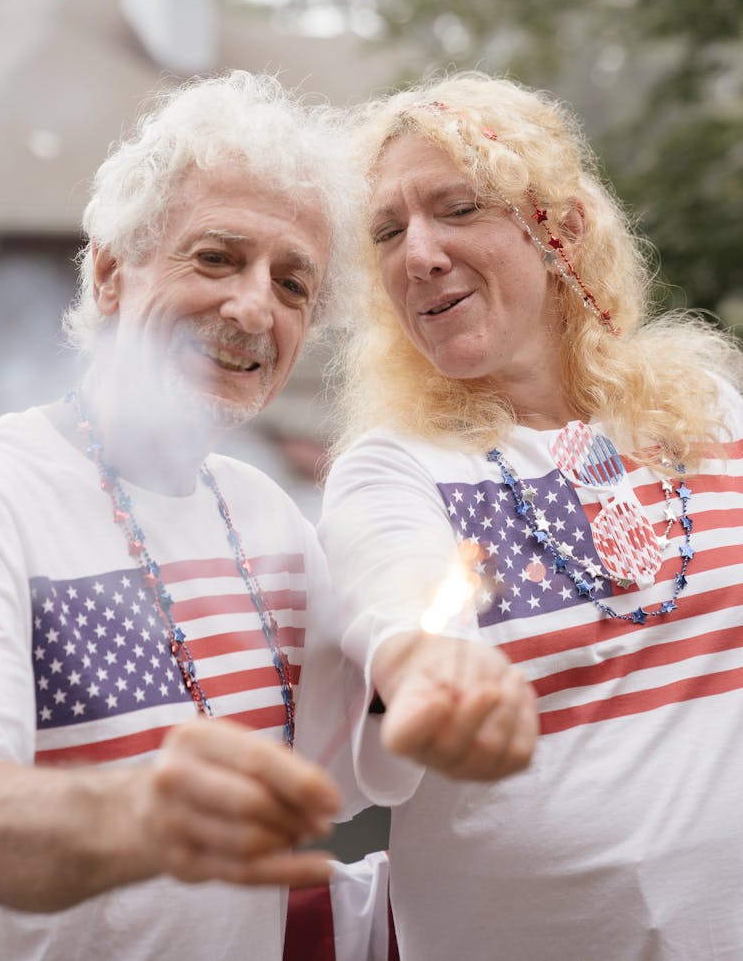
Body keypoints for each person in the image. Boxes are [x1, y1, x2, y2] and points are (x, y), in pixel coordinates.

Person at [317, 71, 743, 960]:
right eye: (389, 230)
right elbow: (395, 591)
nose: (418, 252)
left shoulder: (708, 412)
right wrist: (426, 667)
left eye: (457, 207)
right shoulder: (394, 468)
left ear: (561, 229)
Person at [0, 69, 370, 960]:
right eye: (217, 256)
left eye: (292, 284)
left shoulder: (272, 518)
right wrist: (144, 813)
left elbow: (340, 779)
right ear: (113, 275)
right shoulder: (5, 494)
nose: (253, 307)